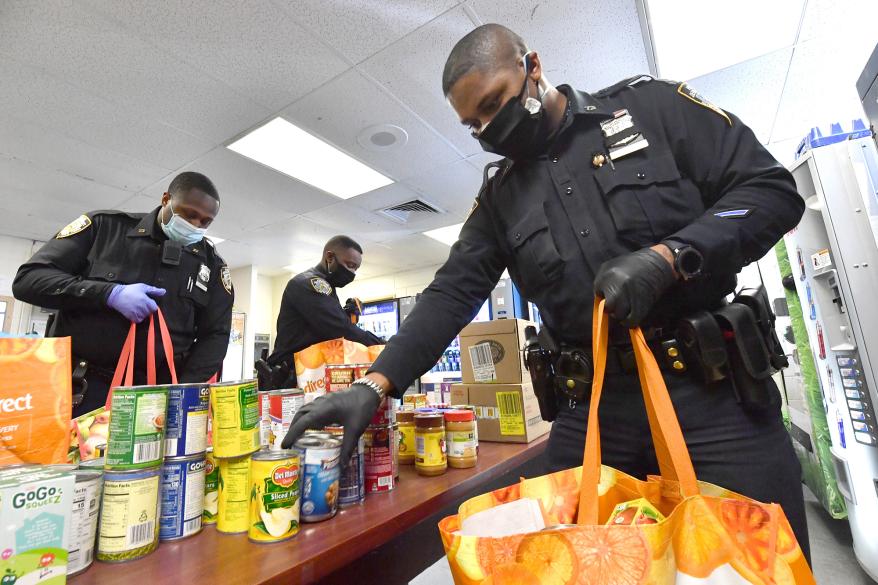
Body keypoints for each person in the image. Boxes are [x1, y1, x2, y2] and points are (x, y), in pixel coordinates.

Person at [281, 24, 810, 558]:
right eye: (474, 124)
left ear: (532, 66)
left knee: (755, 560)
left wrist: (669, 259)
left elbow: (770, 190)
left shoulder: (652, 107)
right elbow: (449, 295)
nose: (489, 127)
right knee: (576, 564)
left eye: (494, 104)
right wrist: (373, 385)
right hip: (595, 410)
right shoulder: (499, 200)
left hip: (713, 395)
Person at [13, 172, 233, 416]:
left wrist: (186, 392)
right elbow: (28, 280)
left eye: (205, 222)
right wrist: (108, 293)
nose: (195, 226)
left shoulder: (211, 265)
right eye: (189, 214)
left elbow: (215, 334)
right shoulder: (104, 228)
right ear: (165, 199)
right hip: (81, 388)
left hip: (158, 398)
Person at [257, 236, 383, 390]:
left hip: (306, 375)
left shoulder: (327, 287)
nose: (352, 273)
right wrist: (384, 346)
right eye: (349, 265)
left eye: (355, 268)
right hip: (287, 378)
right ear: (330, 257)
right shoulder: (310, 283)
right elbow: (340, 329)